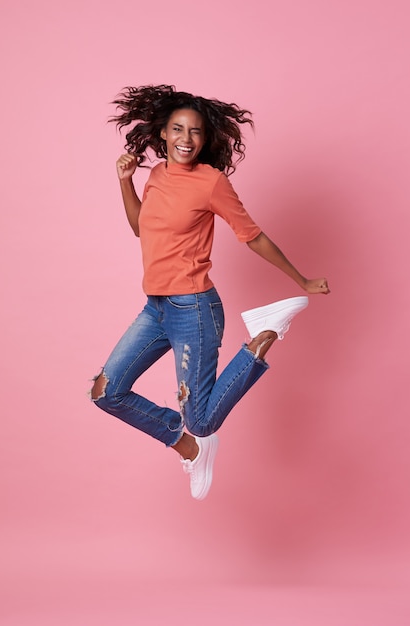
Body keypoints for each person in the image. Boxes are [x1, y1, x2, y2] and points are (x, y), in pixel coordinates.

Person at [90, 85, 330, 500]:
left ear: (206, 138)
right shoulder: (157, 174)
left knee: (201, 421)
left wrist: (301, 280)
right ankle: (187, 447)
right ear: (162, 134)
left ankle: (264, 334)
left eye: (196, 132)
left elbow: (252, 236)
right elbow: (140, 228)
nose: (186, 139)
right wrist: (125, 182)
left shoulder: (211, 182)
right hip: (157, 308)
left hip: (195, 309)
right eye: (178, 129)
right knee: (106, 392)